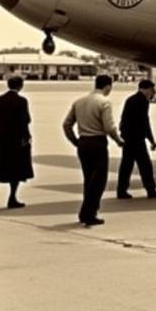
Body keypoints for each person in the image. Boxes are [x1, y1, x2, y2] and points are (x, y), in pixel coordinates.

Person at [62, 74, 123, 227]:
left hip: (83, 143)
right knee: (99, 181)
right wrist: (118, 140)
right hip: (97, 143)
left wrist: (75, 141)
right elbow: (109, 127)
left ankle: (87, 213)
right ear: (107, 86)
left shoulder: (79, 101)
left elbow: (66, 124)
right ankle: (88, 213)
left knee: (88, 179)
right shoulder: (104, 102)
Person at [0, 75, 33, 209]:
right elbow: (25, 121)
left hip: (1, 140)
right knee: (16, 169)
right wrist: (26, 137)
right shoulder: (22, 101)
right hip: (16, 141)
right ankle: (12, 198)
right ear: (20, 86)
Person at [117, 79, 156, 199]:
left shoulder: (131, 99)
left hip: (128, 137)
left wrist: (123, 135)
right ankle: (150, 190)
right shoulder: (142, 101)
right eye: (152, 89)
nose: (153, 92)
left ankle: (121, 190)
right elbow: (144, 122)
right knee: (145, 165)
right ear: (146, 89)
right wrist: (151, 140)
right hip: (137, 139)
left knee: (126, 165)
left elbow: (123, 120)